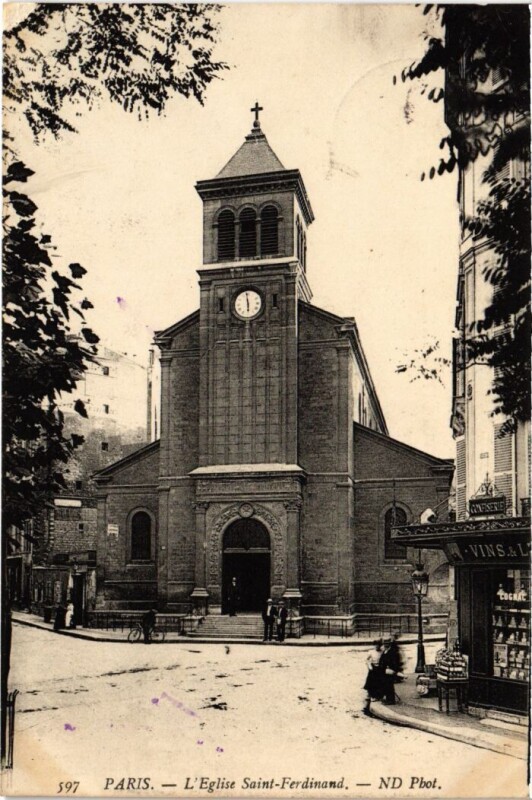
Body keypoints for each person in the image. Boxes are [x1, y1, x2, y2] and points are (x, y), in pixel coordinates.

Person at [380, 636, 405, 704]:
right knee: (386, 684)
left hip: (390, 671)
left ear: (390, 644)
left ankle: (391, 700)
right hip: (385, 670)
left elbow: (395, 662)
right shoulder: (385, 651)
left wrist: (392, 669)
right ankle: (388, 698)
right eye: (385, 643)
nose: (386, 645)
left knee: (389, 685)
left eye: (387, 643)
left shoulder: (392, 652)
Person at [362, 638, 383, 714]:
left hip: (379, 670)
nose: (377, 646)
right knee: (370, 686)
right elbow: (367, 660)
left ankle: (376, 699)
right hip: (373, 670)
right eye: (376, 645)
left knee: (378, 685)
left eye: (379, 645)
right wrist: (369, 666)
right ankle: (366, 707)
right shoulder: (371, 652)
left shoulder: (382, 652)